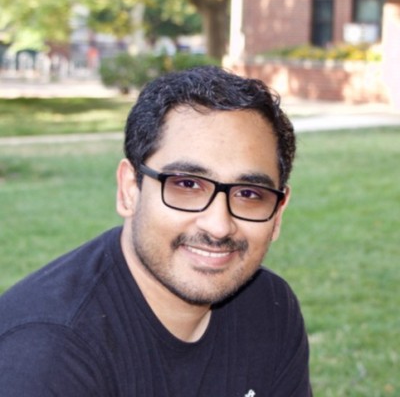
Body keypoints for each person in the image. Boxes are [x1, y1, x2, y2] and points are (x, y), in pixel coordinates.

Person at [0, 66, 312, 396]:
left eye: (249, 194)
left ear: (278, 212)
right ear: (129, 190)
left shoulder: (269, 308)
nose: (218, 226)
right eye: (187, 185)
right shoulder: (49, 357)